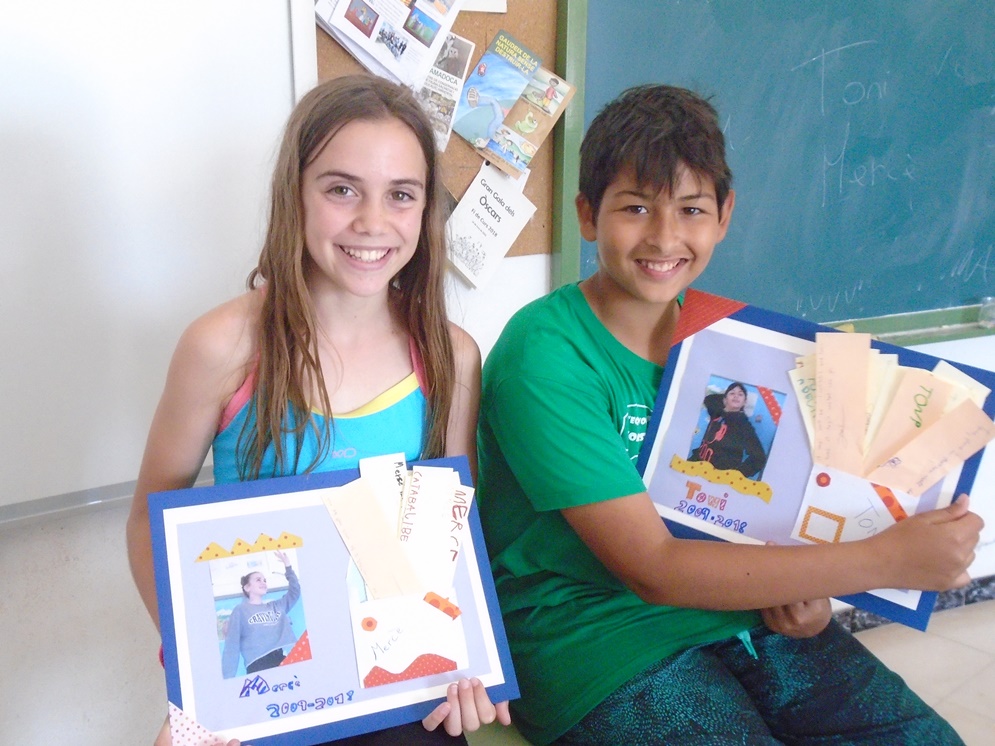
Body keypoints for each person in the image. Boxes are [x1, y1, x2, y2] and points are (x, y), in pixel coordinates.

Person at [476, 83, 982, 745]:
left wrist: (812, 598)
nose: (664, 236)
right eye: (635, 208)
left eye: (690, 209)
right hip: (592, 642)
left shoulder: (729, 340)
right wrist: (884, 561)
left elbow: (767, 508)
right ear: (587, 215)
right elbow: (652, 567)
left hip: (736, 611)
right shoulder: (544, 353)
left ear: (724, 214)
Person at [126, 74, 510, 745]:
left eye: (401, 195)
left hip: (395, 681)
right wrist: (205, 678)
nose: (372, 223)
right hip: (268, 688)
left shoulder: (449, 355)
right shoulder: (222, 346)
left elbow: (452, 536)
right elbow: (146, 520)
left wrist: (466, 661)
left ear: (425, 210)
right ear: (294, 196)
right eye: (341, 190)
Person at [221, 550, 301, 679]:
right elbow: (232, 645)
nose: (263, 582)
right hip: (258, 664)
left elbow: (295, 592)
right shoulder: (240, 610)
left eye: (264, 580)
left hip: (281, 660)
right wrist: (227, 678)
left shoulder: (276, 607)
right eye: (258, 580)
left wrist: (288, 567)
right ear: (247, 587)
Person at [689, 380, 768, 477]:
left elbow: (759, 458)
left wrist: (735, 476)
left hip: (717, 477)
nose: (736, 396)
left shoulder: (743, 425)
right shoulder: (717, 413)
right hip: (696, 465)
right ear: (725, 399)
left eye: (740, 394)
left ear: (745, 402)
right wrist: (726, 401)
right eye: (732, 393)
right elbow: (709, 399)